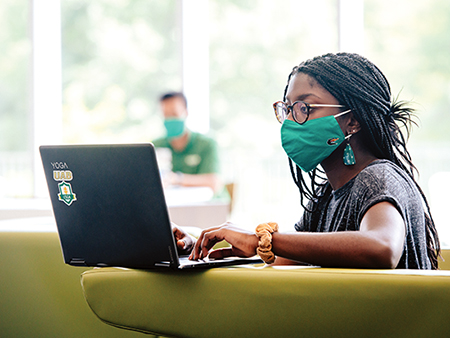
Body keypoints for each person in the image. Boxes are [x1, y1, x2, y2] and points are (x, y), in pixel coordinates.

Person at [173, 52, 441, 270]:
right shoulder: (327, 194)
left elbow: (382, 248)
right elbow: (290, 257)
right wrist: (200, 244)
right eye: (287, 109)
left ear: (353, 120)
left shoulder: (378, 177)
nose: (290, 121)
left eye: (305, 108)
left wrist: (262, 239)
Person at [152, 92, 221, 192]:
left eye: (174, 113)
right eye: (166, 114)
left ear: (186, 112)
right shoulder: (155, 146)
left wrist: (177, 179)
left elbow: (214, 182)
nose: (170, 118)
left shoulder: (206, 144)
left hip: (202, 205)